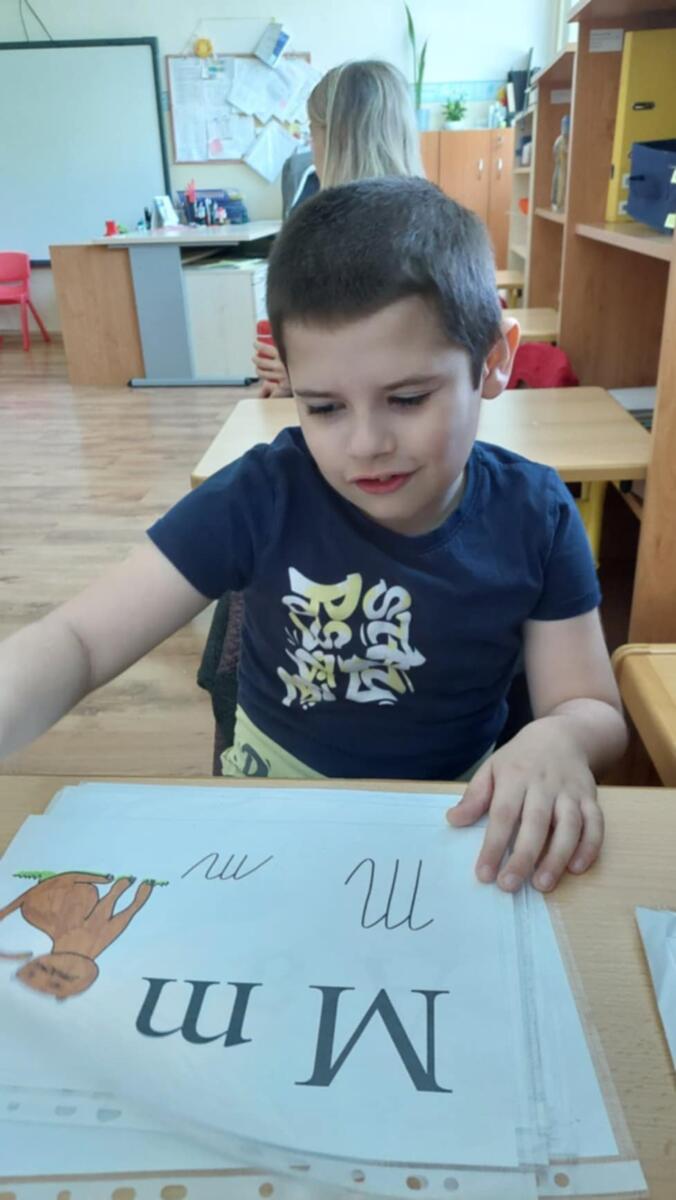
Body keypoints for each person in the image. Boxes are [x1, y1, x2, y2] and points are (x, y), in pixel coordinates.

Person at [0, 178, 627, 898]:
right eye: (324, 407)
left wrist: (559, 737)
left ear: (493, 360)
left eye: (407, 398)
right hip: (274, 801)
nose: (366, 443)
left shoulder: (536, 515)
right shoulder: (259, 495)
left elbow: (592, 708)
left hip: (457, 812)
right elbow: (79, 640)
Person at [254, 59, 424, 398]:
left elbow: (369, 362)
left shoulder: (315, 242)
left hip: (348, 414)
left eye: (312, 132)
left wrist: (296, 378)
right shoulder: (443, 228)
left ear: (332, 139)